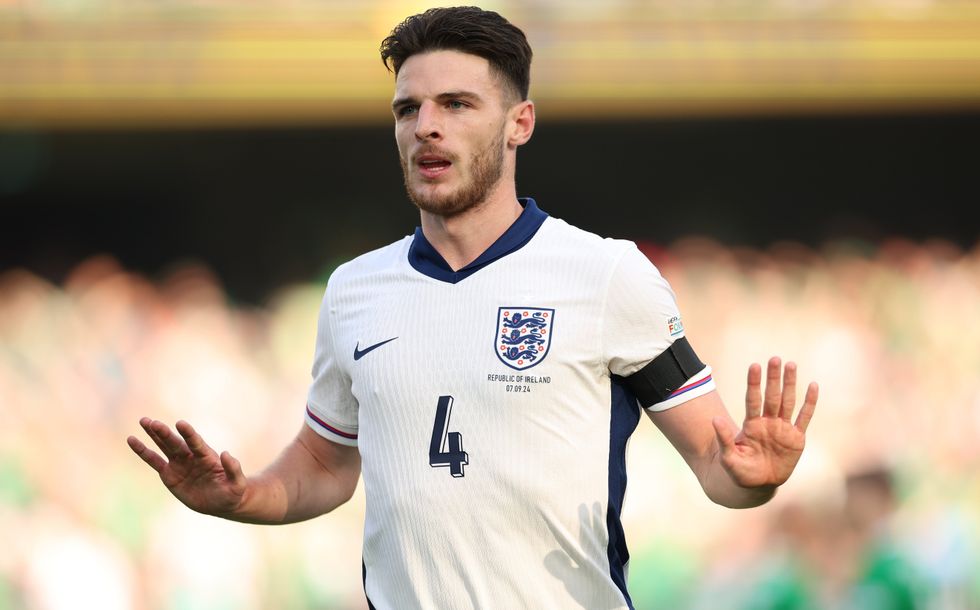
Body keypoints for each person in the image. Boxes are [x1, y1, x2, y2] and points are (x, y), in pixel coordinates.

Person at [127, 7, 819, 609]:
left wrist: (750, 480)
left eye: (456, 105)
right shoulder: (354, 291)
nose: (426, 127)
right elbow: (325, 463)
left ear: (520, 123)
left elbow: (715, 460)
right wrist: (242, 497)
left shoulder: (608, 275)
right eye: (408, 109)